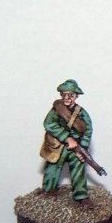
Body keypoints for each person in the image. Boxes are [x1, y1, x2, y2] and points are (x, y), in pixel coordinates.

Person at [40, 79, 93, 207]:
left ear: (76, 96)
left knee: (78, 169)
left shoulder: (81, 113)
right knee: (53, 167)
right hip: (58, 146)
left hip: (76, 147)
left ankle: (81, 196)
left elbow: (88, 130)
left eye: (71, 95)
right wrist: (66, 138)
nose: (67, 98)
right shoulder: (57, 110)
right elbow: (49, 124)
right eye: (64, 95)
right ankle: (48, 191)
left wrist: (83, 147)